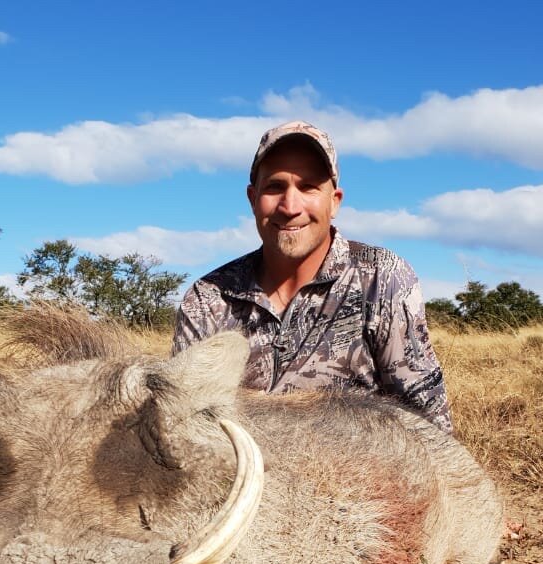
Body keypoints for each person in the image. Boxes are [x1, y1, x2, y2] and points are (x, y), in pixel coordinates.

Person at [173, 121, 453, 433]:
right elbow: (186, 425)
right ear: (253, 199)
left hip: (362, 475)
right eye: (275, 187)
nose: (290, 207)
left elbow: (431, 428)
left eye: (308, 187)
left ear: (334, 201)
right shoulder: (209, 298)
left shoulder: (382, 278)